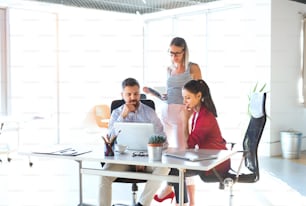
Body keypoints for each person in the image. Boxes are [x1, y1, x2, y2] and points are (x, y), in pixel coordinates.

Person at [144, 37, 202, 205]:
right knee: (167, 155)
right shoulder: (169, 69)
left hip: (182, 113)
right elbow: (171, 93)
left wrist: (191, 113)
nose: (174, 57)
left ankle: (190, 201)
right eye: (171, 53)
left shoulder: (192, 68)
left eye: (177, 53)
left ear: (184, 52)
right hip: (166, 112)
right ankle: (172, 190)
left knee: (183, 158)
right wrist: (156, 94)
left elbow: (200, 93)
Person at [99, 77, 170, 206]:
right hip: (123, 161)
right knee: (104, 175)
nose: (133, 97)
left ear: (140, 94)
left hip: (147, 160)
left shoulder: (149, 113)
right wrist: (123, 116)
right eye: (129, 94)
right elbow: (110, 139)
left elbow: (163, 140)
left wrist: (145, 159)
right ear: (122, 95)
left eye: (136, 94)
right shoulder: (116, 113)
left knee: (165, 168)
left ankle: (142, 204)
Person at [169, 79, 230, 205]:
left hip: (215, 162)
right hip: (208, 157)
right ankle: (180, 201)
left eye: (188, 98)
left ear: (199, 96)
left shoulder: (205, 117)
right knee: (174, 165)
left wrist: (185, 120)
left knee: (175, 170)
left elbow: (189, 145)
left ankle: (181, 203)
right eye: (183, 98)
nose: (184, 102)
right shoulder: (199, 112)